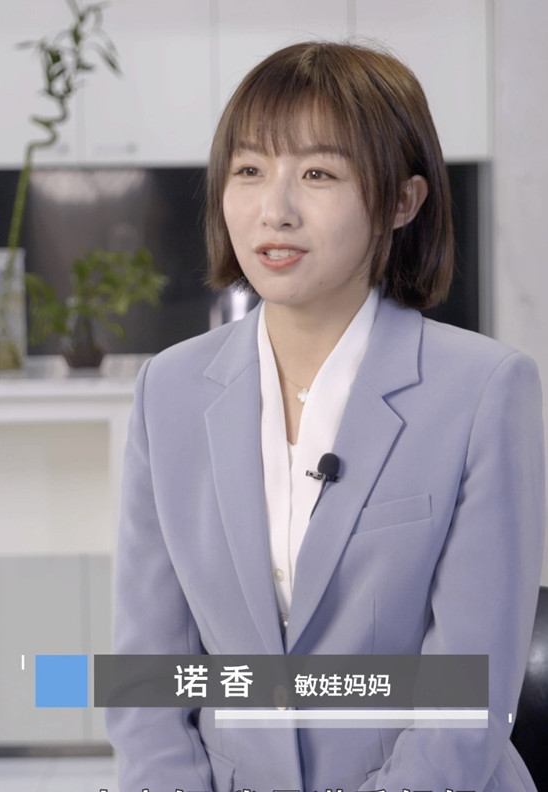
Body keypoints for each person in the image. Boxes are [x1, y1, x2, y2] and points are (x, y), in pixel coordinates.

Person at [105, 41, 545, 792]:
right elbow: (150, 676)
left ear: (402, 202)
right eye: (249, 170)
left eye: (318, 174)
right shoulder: (168, 391)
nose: (274, 210)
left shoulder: (484, 391)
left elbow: (465, 705)